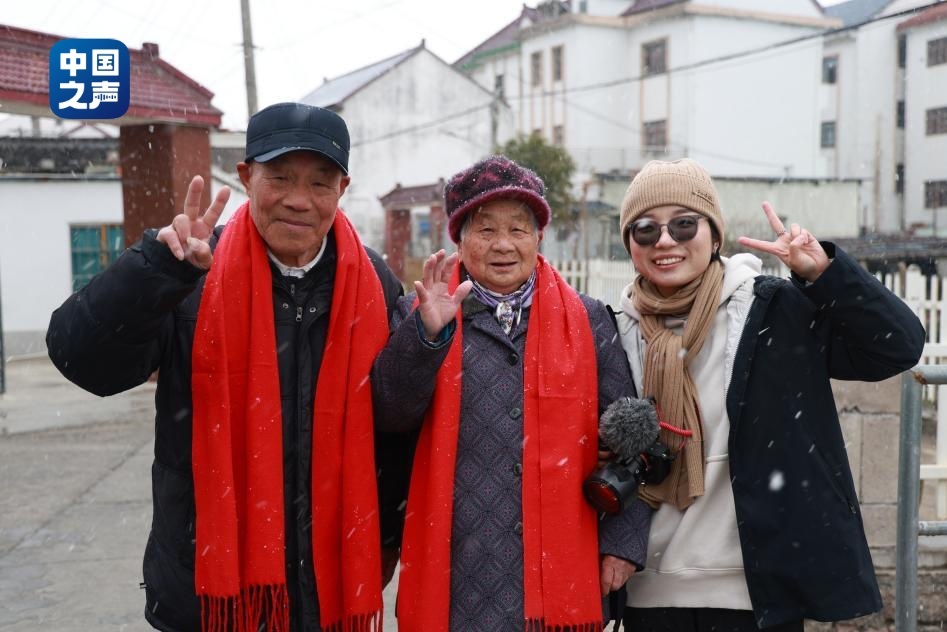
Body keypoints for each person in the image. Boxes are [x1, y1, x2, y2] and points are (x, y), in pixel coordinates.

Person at [46, 102, 411, 632]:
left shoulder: (373, 283)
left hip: (331, 586)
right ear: (245, 177)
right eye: (279, 177)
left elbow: (396, 419)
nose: (298, 199)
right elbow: (84, 362)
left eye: (319, 183)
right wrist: (154, 271)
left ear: (342, 188)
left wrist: (386, 537)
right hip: (206, 587)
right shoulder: (190, 268)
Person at [611, 158, 926, 631]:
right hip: (649, 592)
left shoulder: (772, 309)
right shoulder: (614, 331)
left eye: (684, 224)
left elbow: (897, 346)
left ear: (714, 235)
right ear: (630, 244)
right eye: (645, 229)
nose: (666, 241)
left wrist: (825, 275)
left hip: (758, 594)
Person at [371, 155, 653, 631]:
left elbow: (631, 441)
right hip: (459, 569)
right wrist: (426, 337)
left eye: (518, 229)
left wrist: (623, 543)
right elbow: (391, 415)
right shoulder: (419, 313)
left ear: (538, 236)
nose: (503, 245)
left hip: (561, 563)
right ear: (459, 239)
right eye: (485, 230)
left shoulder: (588, 320)